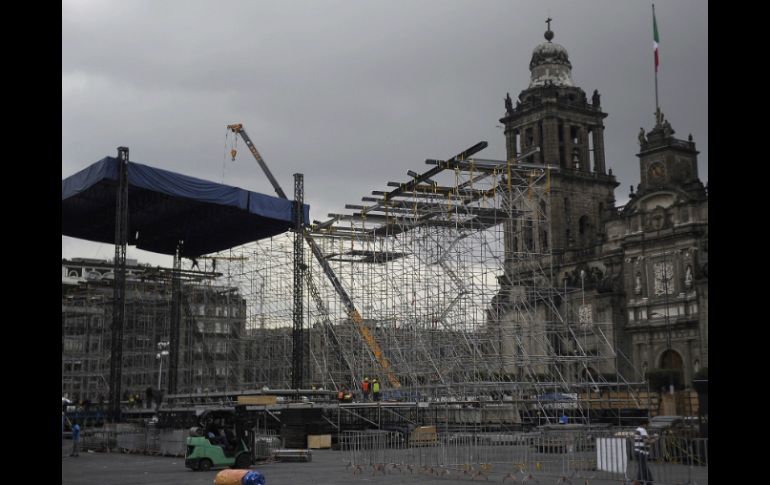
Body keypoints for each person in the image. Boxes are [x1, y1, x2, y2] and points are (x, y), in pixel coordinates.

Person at [634, 420, 655, 484]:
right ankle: (646, 482)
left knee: (643, 467)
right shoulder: (642, 430)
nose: (648, 426)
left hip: (638, 451)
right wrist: (653, 440)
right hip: (642, 452)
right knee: (643, 468)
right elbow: (646, 441)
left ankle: (644, 481)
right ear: (644, 424)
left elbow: (644, 438)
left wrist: (652, 437)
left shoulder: (638, 429)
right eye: (647, 424)